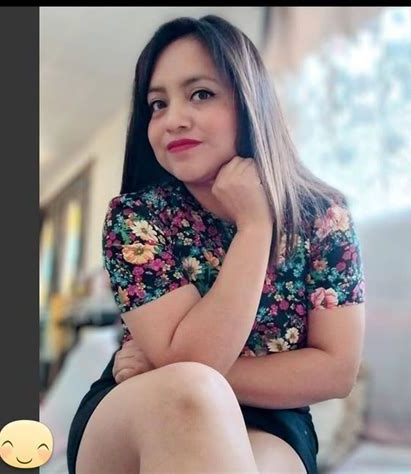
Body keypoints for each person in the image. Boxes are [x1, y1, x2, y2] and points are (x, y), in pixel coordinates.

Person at [67, 14, 365, 474]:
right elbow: (192, 367)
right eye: (157, 104)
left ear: (250, 102)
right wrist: (255, 229)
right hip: (143, 406)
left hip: (273, 421)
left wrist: (166, 362)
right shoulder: (136, 218)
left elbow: (336, 371)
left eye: (201, 94)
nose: (173, 120)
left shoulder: (323, 216)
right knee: (189, 394)